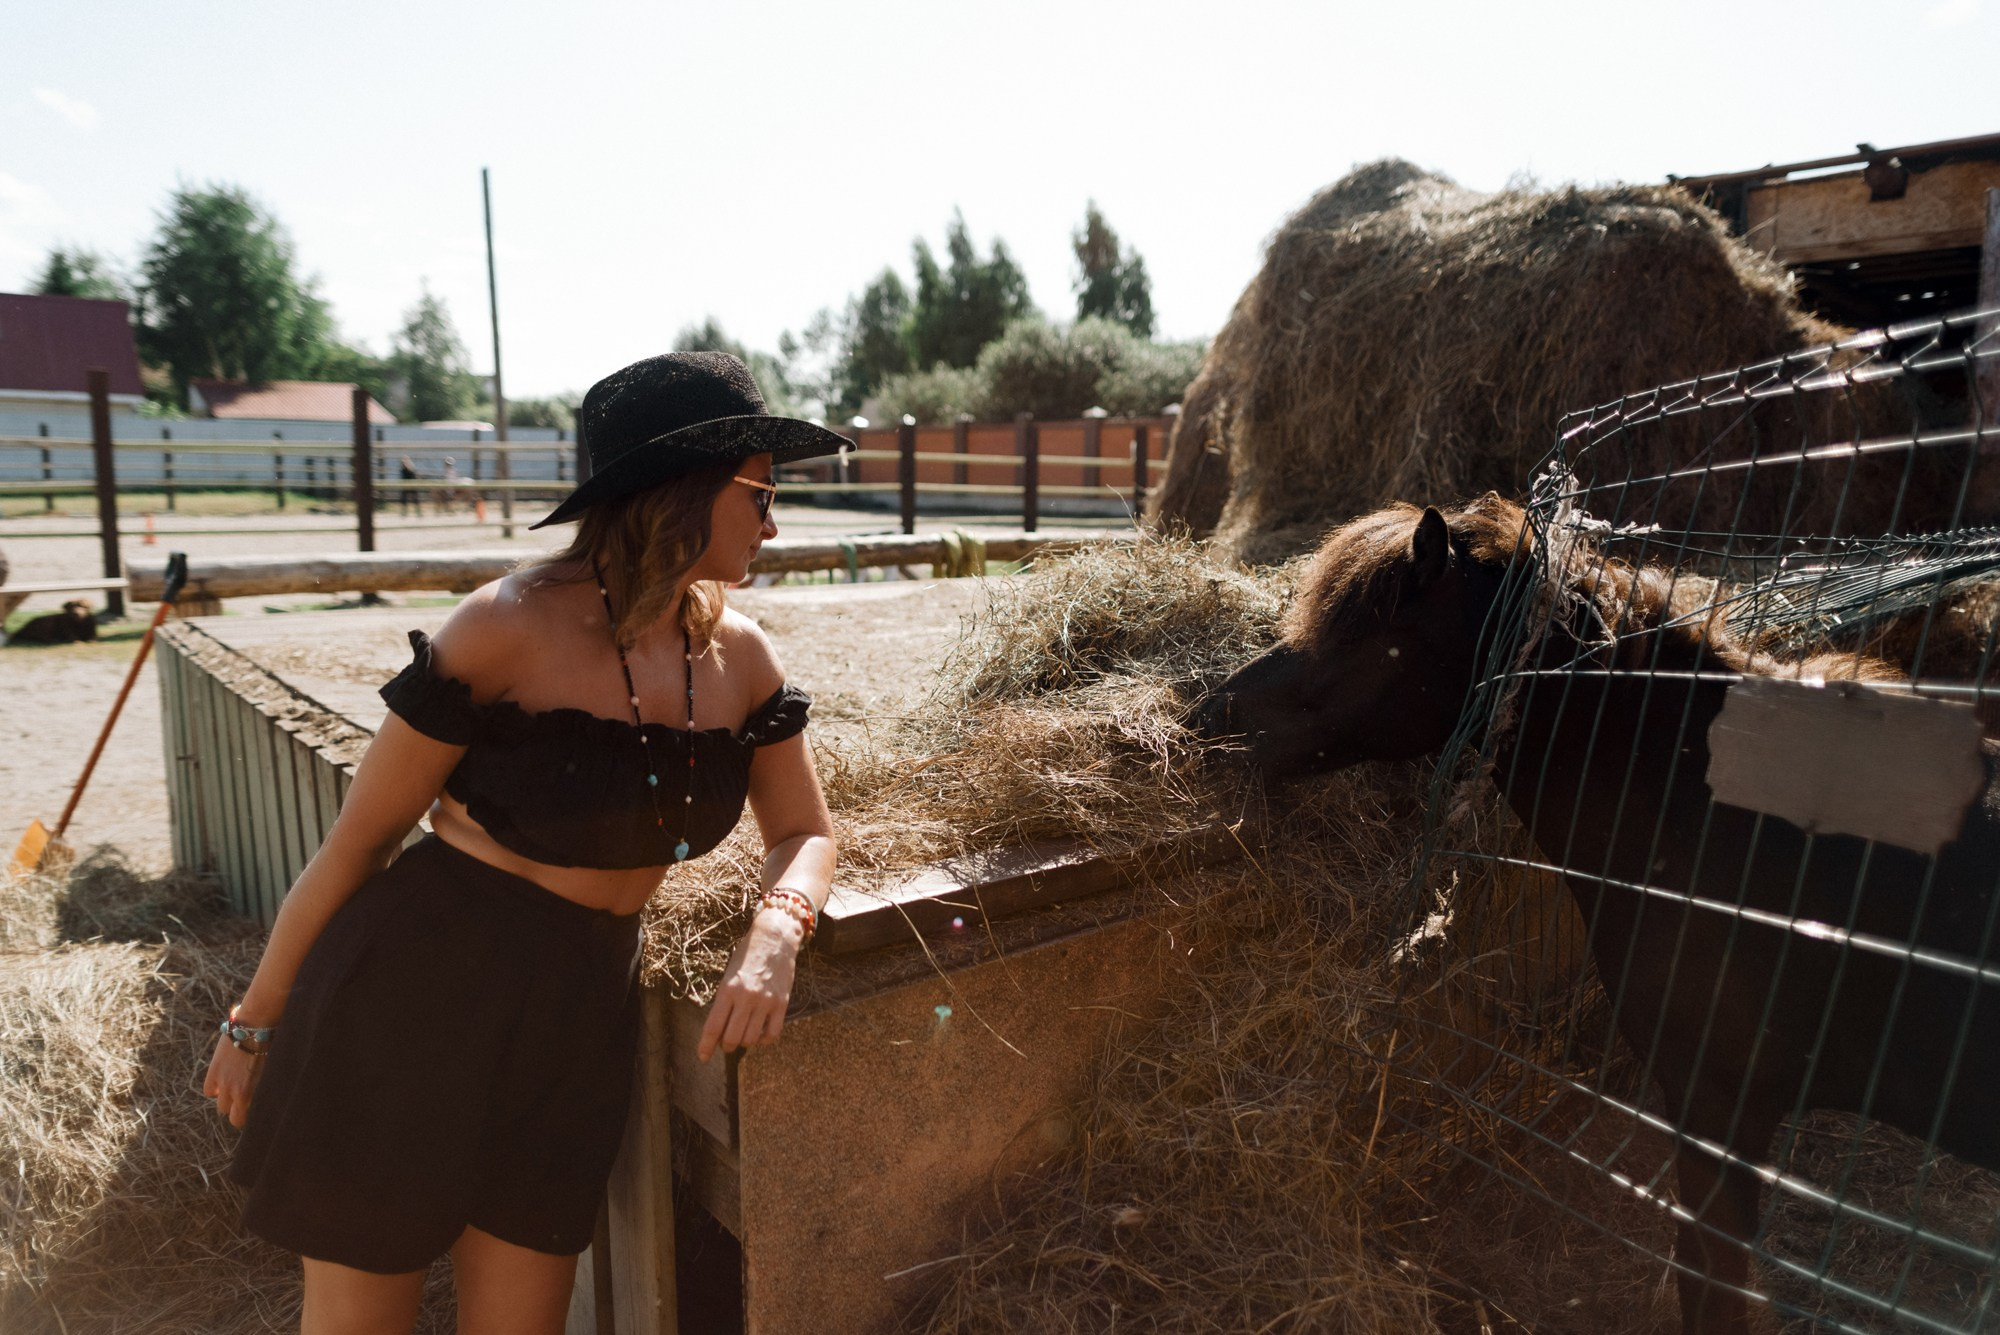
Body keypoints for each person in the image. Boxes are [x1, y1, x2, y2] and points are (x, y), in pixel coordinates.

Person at [204, 352, 844, 1333]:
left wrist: (774, 935)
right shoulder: (503, 628)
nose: (773, 521)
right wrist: (255, 1024)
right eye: (761, 492)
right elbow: (357, 844)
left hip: (582, 1016)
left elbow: (802, 832)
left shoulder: (743, 658)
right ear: (675, 492)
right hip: (413, 1001)